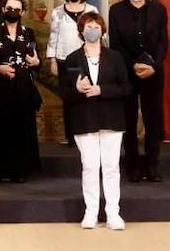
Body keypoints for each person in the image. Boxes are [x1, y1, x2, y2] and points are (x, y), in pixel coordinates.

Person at [61, 12, 130, 230]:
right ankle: (90, 211)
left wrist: (102, 89)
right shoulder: (72, 59)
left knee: (111, 166)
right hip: (84, 118)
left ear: (102, 29)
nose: (92, 29)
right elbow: (64, 92)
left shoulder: (115, 57)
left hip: (111, 118)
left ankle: (113, 213)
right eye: (88, 26)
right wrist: (77, 89)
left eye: (96, 25)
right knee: (90, 166)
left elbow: (126, 87)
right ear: (81, 31)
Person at [107, 0, 168, 182]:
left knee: (153, 119)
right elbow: (116, 44)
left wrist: (152, 65)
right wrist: (133, 65)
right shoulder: (116, 11)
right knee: (128, 120)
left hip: (153, 72)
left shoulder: (158, 10)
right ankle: (132, 165)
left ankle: (152, 164)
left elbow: (162, 42)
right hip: (127, 73)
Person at [0, 0, 42, 183]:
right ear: (3, 9)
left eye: (17, 9)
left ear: (23, 12)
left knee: (22, 127)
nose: (12, 12)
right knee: (0, 126)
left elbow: (37, 60)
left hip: (23, 87)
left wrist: (36, 62)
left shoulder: (28, 33)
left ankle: (21, 170)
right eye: (9, 8)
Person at [46, 0, 97, 144]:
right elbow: (53, 37)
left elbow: (99, 34)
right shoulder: (58, 12)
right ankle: (71, 137)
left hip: (86, 59)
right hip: (64, 60)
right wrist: (52, 60)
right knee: (69, 98)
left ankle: (87, 133)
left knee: (87, 96)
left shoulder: (92, 10)